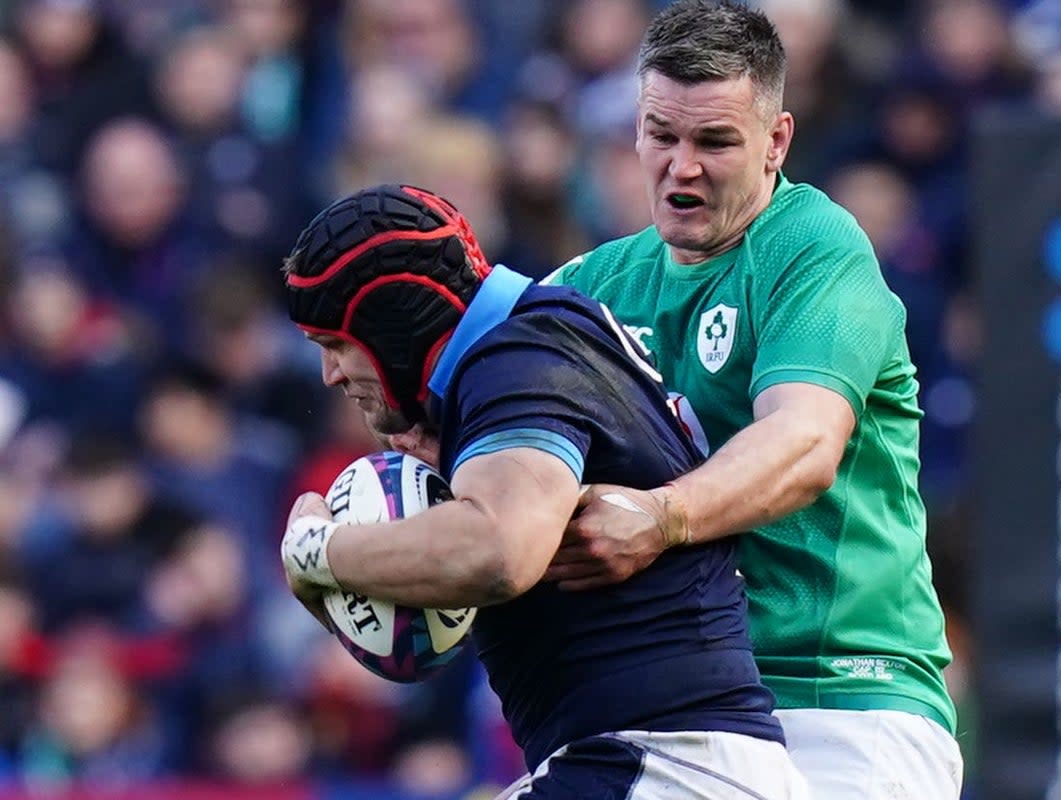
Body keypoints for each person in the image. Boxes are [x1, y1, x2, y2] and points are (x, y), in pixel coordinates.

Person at [542, 1, 964, 797]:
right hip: (674, 705)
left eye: (714, 142)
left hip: (841, 697)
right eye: (661, 135)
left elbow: (801, 446)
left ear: (777, 141)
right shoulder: (584, 290)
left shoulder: (815, 249)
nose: (682, 166)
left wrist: (660, 517)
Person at [278, 184, 809, 799]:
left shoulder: (514, 359)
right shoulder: (531, 349)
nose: (331, 374)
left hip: (660, 764)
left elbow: (500, 550)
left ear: (393, 323)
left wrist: (321, 552)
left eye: (337, 344)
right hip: (665, 762)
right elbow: (423, 647)